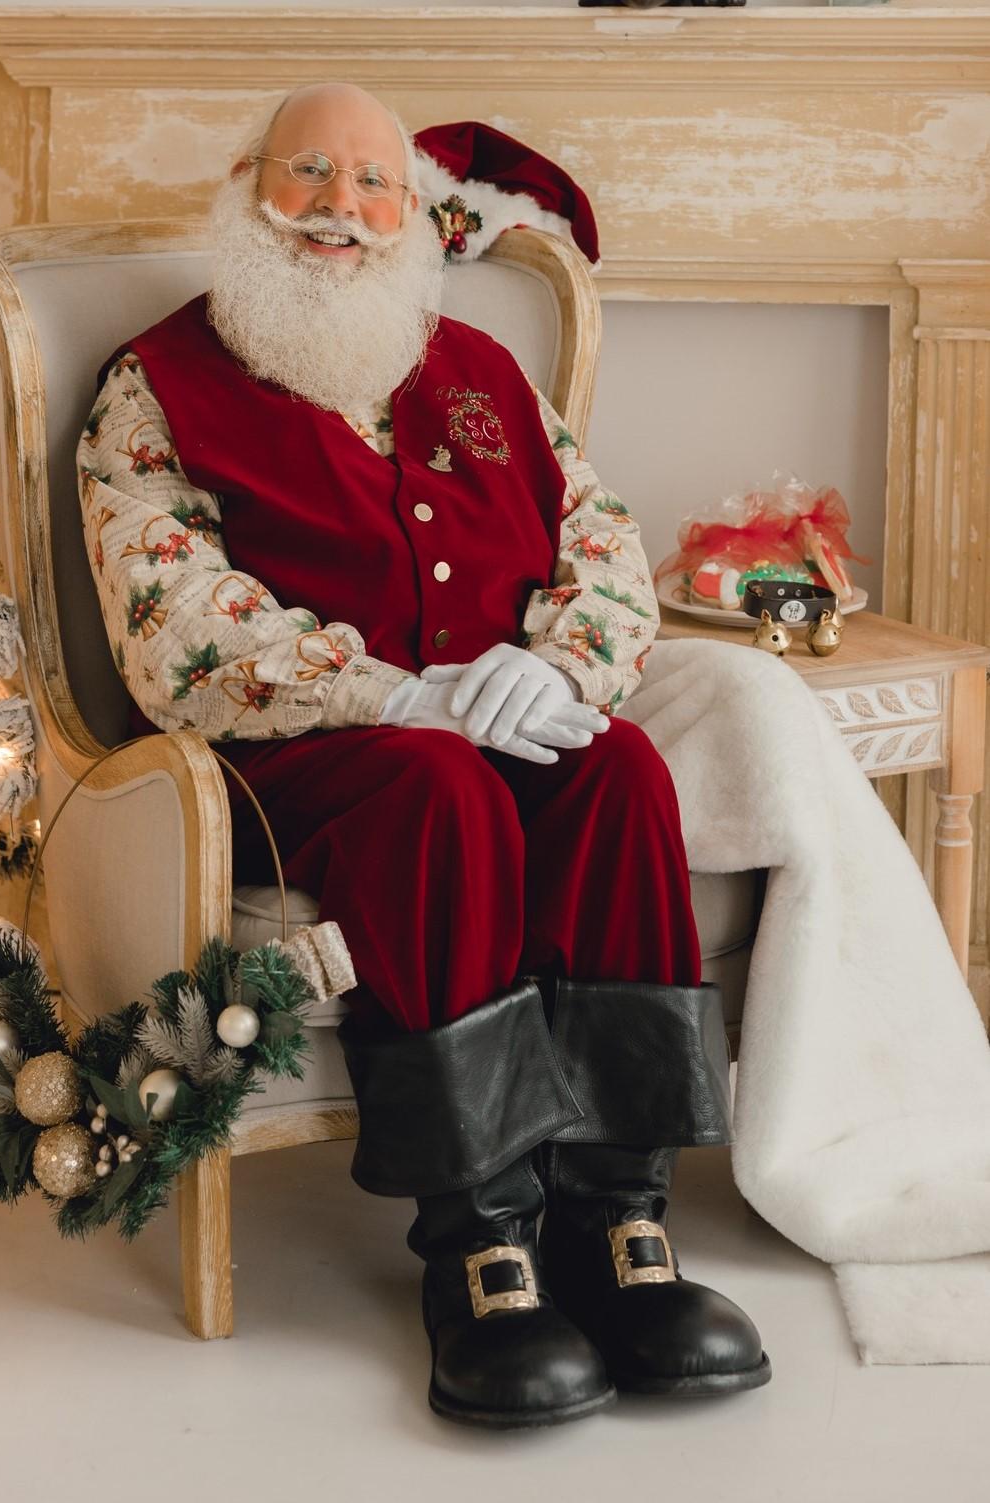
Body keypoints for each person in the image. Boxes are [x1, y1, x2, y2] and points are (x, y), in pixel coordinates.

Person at [77, 80, 771, 1428]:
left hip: (496, 721)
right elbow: (177, 630)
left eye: (372, 183)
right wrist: (393, 695)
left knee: (617, 769)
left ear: (413, 212)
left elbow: (603, 544)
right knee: (437, 786)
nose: (339, 207)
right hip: (302, 760)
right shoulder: (155, 387)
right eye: (308, 174)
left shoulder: (483, 370)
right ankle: (480, 1248)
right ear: (249, 186)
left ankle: (617, 1224)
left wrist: (556, 665)